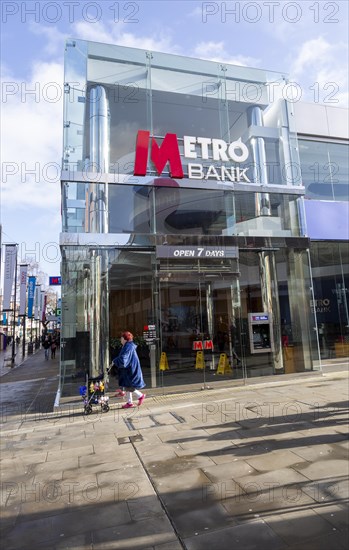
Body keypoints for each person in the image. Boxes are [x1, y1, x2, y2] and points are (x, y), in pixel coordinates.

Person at [111, 331, 146, 409]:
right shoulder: (128, 346)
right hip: (129, 369)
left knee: (129, 386)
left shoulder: (128, 347)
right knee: (127, 385)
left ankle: (140, 395)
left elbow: (124, 359)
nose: (120, 340)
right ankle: (129, 402)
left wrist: (115, 361)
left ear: (125, 339)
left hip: (129, 370)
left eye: (121, 338)